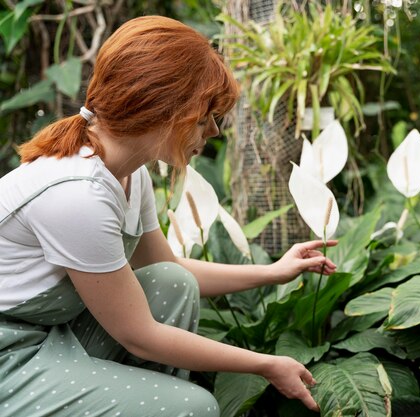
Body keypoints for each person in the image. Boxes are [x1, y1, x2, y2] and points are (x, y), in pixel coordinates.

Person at [0, 15, 337, 416]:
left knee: (170, 282)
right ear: (162, 106)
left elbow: (170, 266)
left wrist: (274, 272)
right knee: (192, 407)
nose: (212, 130)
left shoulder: (128, 174)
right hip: (10, 354)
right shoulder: (76, 195)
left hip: (50, 333)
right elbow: (139, 335)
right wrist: (265, 364)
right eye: (206, 114)